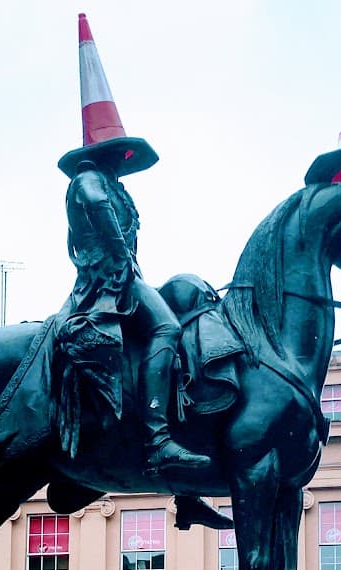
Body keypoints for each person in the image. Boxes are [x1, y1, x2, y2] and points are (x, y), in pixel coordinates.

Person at [55, 15, 209, 479]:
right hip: (106, 286)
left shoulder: (108, 183)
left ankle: (185, 483)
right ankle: (159, 440)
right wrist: (124, 262)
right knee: (165, 327)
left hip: (124, 279)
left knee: (186, 301)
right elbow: (102, 219)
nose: (123, 159)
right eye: (118, 151)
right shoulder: (89, 180)